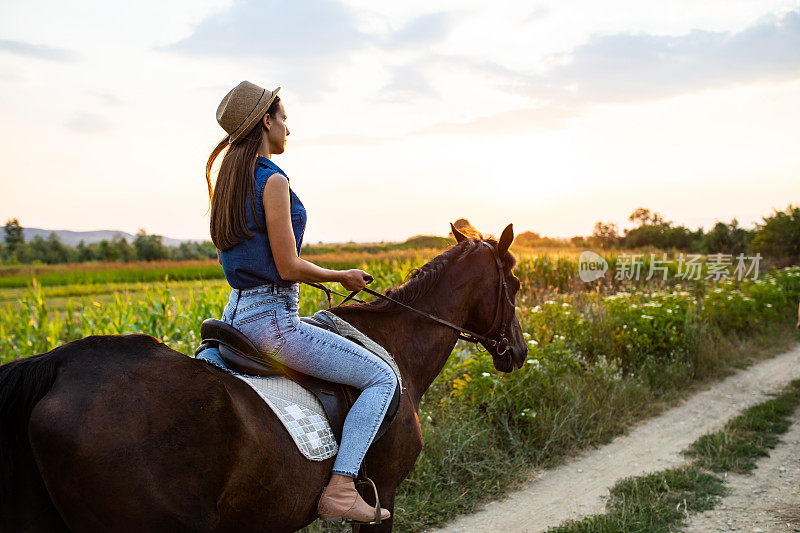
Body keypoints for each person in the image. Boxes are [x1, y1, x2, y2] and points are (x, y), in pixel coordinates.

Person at [206, 81, 396, 523]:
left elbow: (245, 259)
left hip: (233, 315)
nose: (288, 127)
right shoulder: (271, 179)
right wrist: (339, 275)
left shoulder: (229, 184)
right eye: (284, 117)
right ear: (266, 121)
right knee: (381, 379)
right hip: (274, 323)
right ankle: (343, 487)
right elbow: (288, 265)